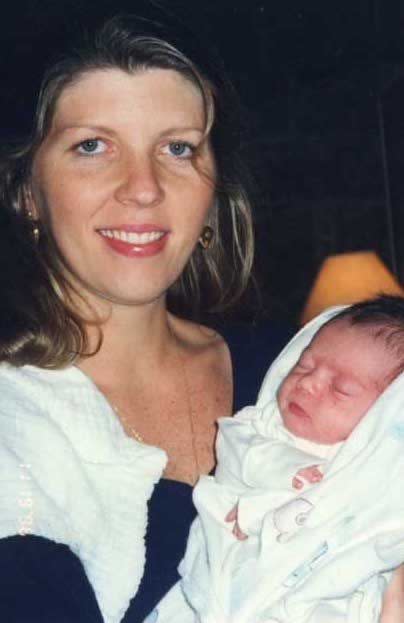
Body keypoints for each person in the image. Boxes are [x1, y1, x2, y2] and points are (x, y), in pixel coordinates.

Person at [0, 13, 294, 623]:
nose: (144, 188)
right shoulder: (14, 425)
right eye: (92, 145)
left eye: (177, 148)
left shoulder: (306, 370)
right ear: (28, 191)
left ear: (213, 192)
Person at [153, 296, 404, 623]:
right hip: (244, 575)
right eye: (305, 365)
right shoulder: (265, 430)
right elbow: (242, 456)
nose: (309, 383)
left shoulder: (383, 473)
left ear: (386, 420)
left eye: (340, 389)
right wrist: (286, 475)